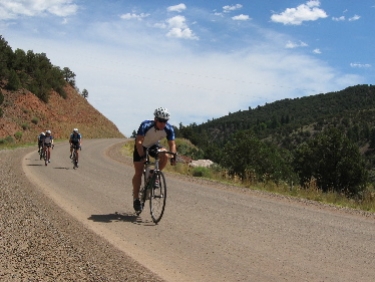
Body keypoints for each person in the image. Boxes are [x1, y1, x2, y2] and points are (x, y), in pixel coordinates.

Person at [132, 107, 177, 212]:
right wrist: (142, 156)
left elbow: (172, 144)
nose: (163, 123)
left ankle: (154, 174)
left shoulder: (169, 129)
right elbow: (138, 142)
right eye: (160, 121)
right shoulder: (146, 125)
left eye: (165, 121)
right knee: (138, 172)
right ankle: (136, 199)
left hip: (153, 146)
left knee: (165, 154)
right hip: (141, 146)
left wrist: (173, 156)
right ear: (155, 119)